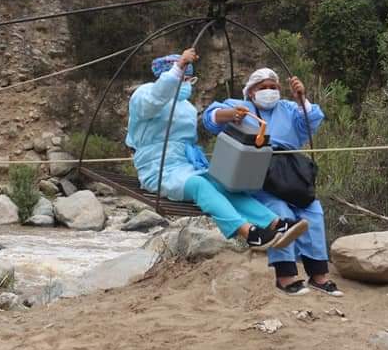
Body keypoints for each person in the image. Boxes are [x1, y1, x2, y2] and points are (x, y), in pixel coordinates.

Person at [126, 49, 308, 251]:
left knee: (223, 184)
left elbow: (188, 142)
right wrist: (178, 68)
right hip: (156, 169)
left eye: (190, 79)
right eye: (183, 77)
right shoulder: (143, 95)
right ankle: (250, 233)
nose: (186, 83)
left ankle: (275, 223)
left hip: (185, 165)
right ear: (167, 75)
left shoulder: (186, 107)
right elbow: (155, 99)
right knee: (198, 185)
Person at [204, 68, 343, 296]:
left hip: (289, 170)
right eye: (263, 88)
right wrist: (229, 115)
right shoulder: (241, 107)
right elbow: (211, 118)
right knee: (279, 211)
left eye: (273, 87)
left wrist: (301, 99)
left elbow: (312, 121)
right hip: (257, 172)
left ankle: (319, 275)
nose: (269, 91)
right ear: (251, 92)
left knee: (313, 211)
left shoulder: (289, 108)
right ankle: (286, 276)